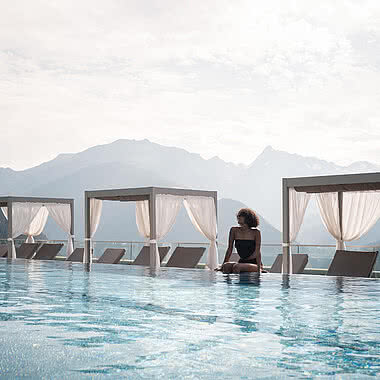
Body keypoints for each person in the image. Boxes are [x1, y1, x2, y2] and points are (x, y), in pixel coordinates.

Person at [218, 208, 264, 274]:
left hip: (254, 264)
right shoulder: (234, 230)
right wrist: (222, 265)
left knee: (237, 267)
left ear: (247, 218)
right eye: (238, 215)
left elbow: (257, 252)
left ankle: (240, 284)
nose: (238, 216)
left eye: (241, 215)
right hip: (242, 262)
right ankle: (227, 284)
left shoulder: (256, 232)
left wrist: (259, 269)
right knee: (226, 266)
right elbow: (229, 249)